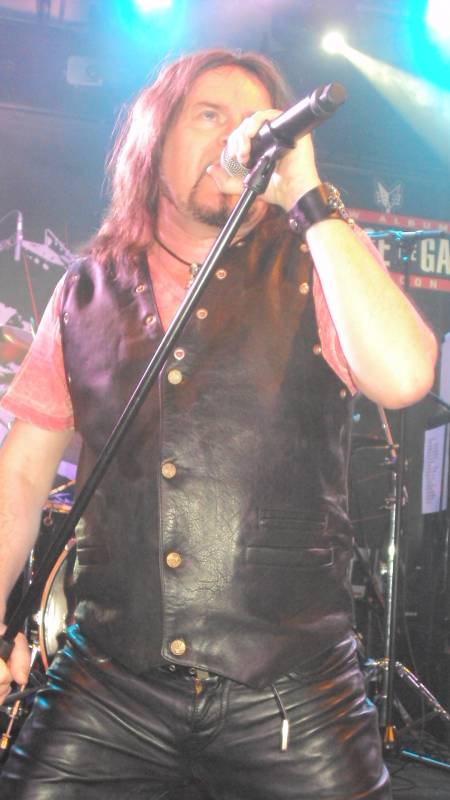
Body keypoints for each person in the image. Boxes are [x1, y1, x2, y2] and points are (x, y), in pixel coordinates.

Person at [0, 48, 437, 799]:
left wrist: (310, 198)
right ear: (155, 137)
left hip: (293, 690)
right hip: (110, 681)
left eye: (254, 121)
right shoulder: (84, 293)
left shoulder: (314, 260)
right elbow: (20, 474)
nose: (239, 135)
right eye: (210, 115)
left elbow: (404, 376)